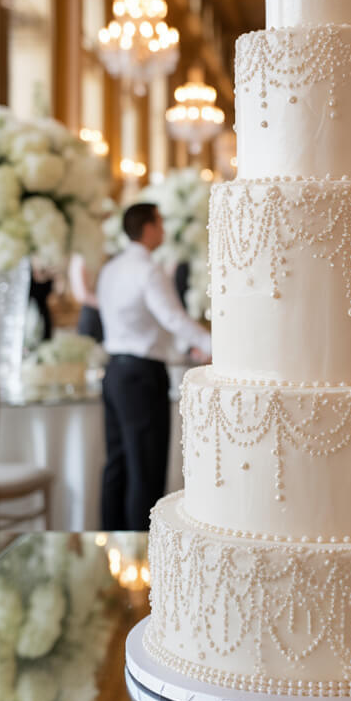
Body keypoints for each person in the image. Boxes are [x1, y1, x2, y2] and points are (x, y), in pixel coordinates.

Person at [97, 202, 212, 530]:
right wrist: (214, 345)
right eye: (160, 223)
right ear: (147, 228)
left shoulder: (111, 269)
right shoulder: (148, 270)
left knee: (116, 466)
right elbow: (171, 317)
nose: (163, 230)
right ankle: (142, 547)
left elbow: (143, 322)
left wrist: (187, 345)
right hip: (140, 377)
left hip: (114, 373)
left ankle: (110, 541)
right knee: (144, 469)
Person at [69, 252, 104, 343]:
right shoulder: (80, 258)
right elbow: (82, 295)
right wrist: (107, 304)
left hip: (104, 314)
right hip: (92, 314)